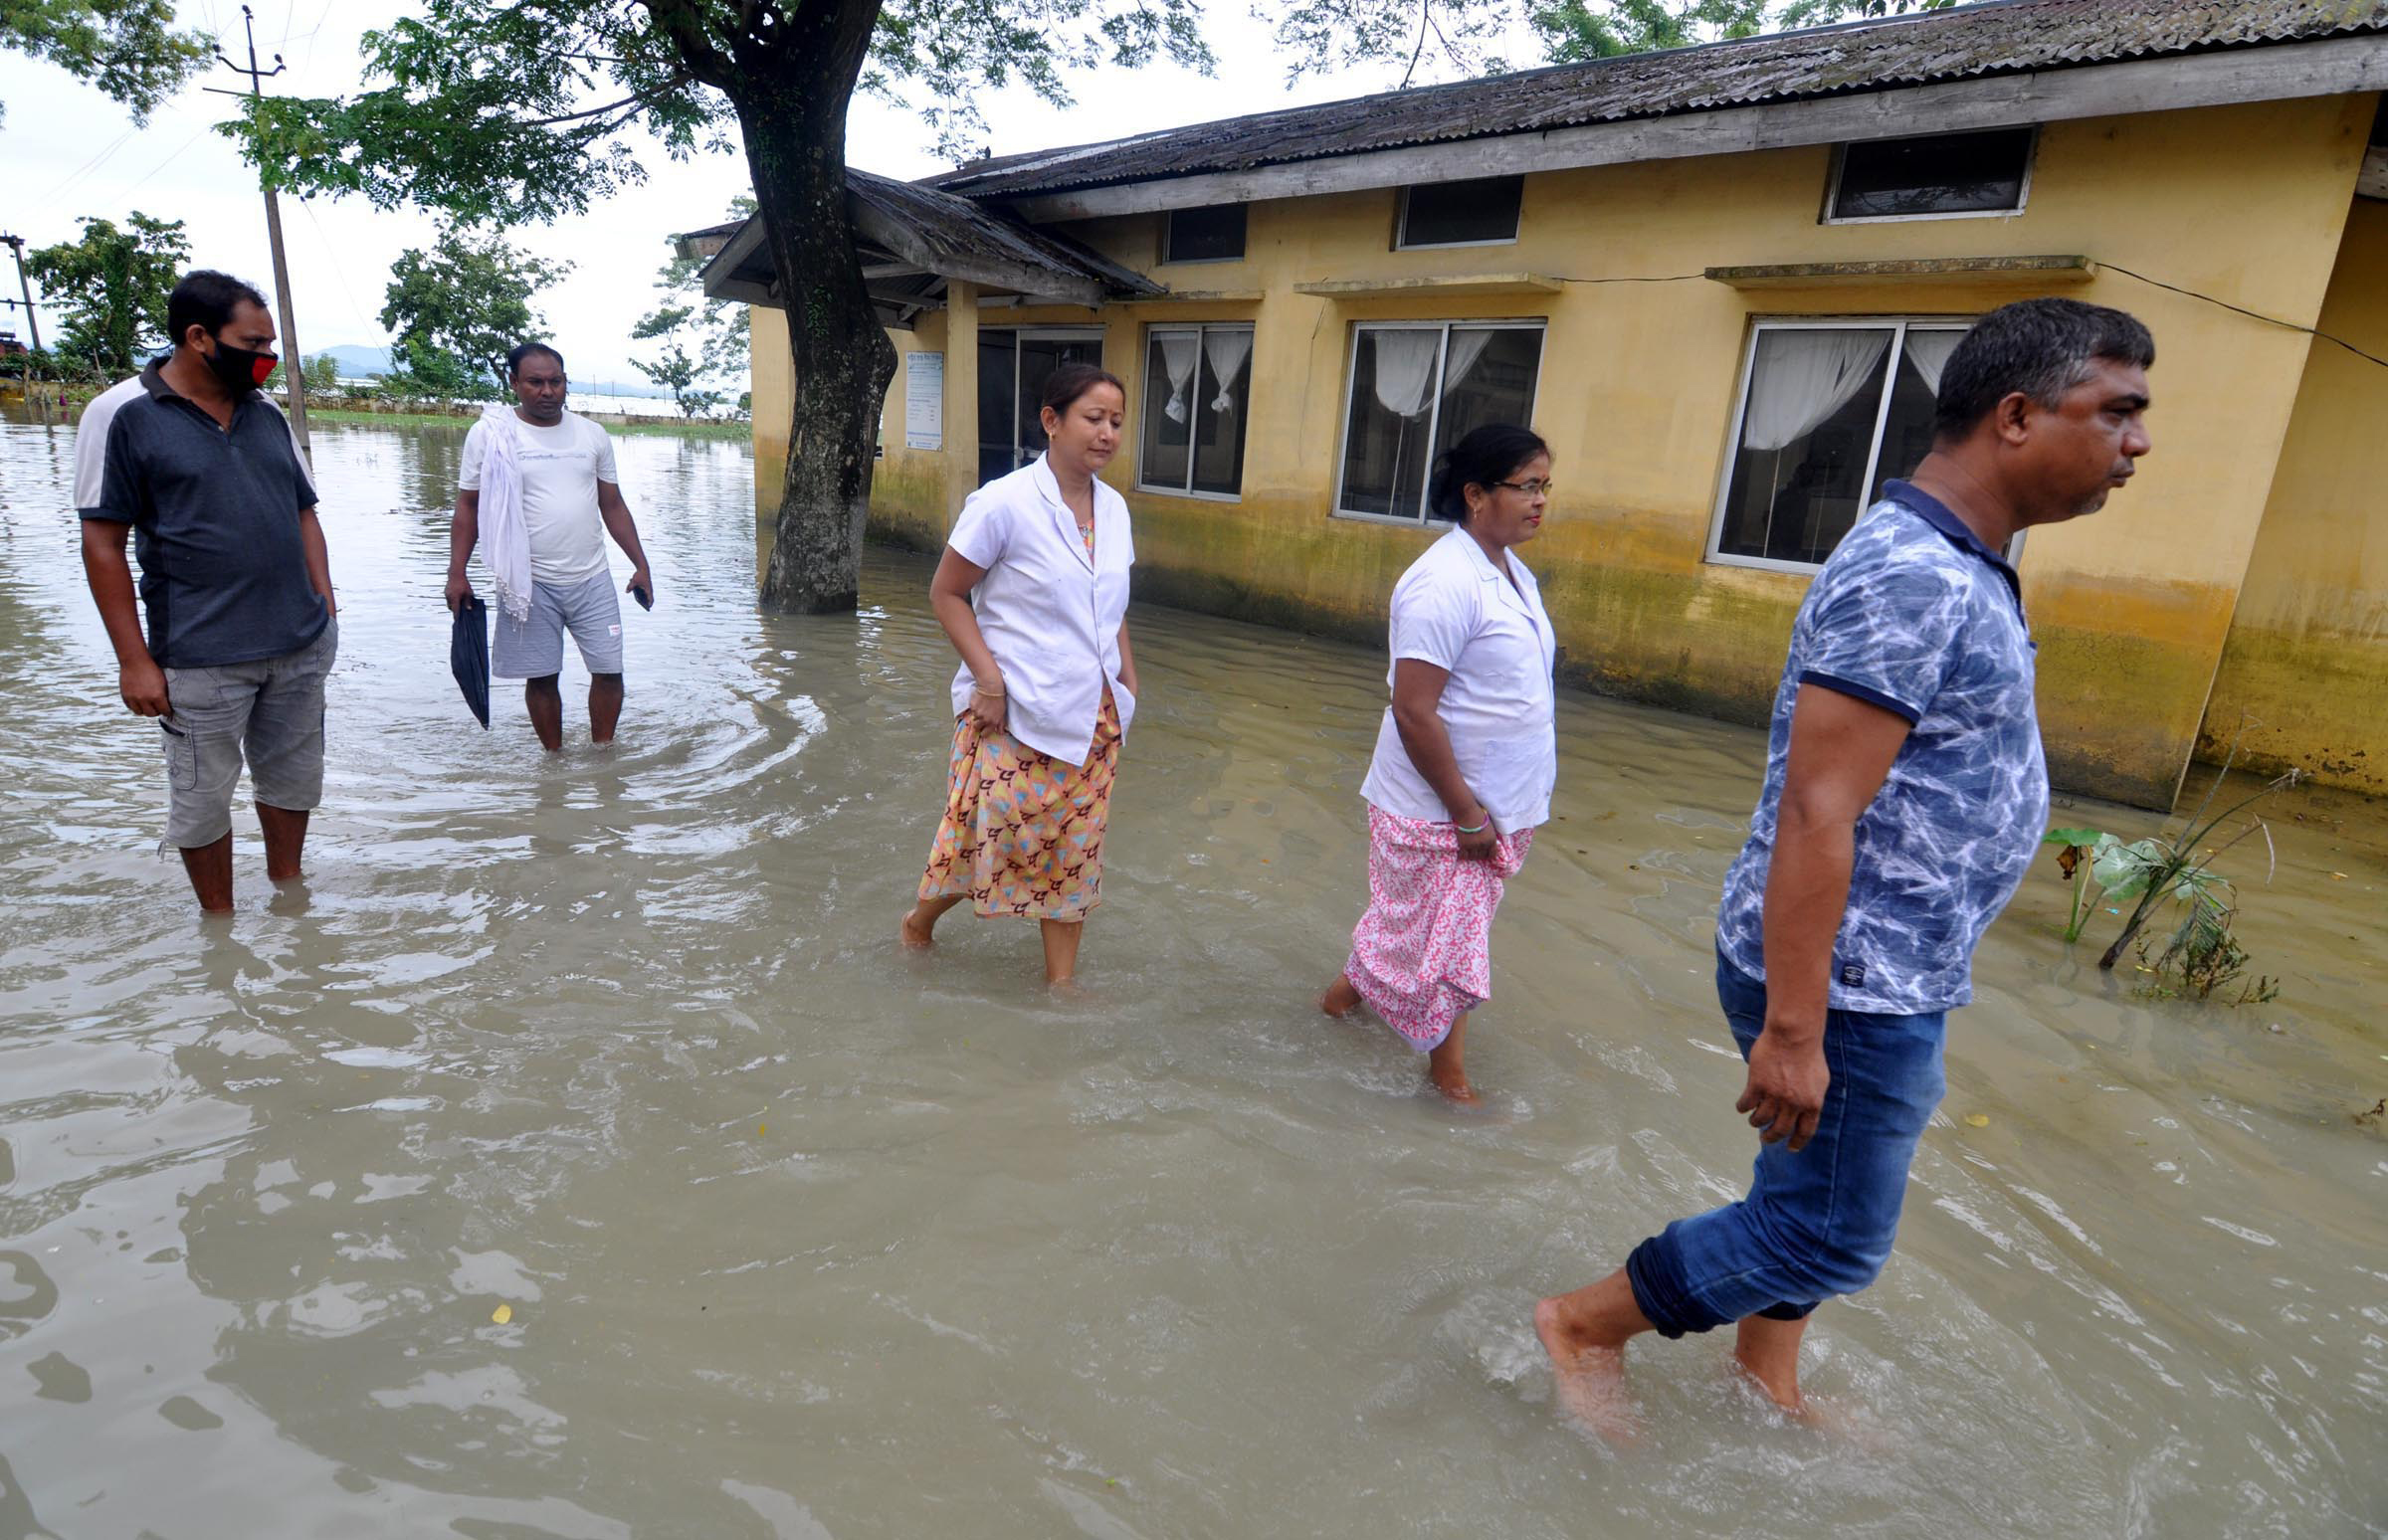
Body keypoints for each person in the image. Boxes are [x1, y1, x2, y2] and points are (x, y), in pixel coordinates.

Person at [1535, 297, 2154, 1436]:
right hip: (1851, 984)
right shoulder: (1913, 573)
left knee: (1801, 1195)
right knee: (1826, 1231)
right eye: (2118, 411)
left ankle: (1764, 1376)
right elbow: (1821, 812)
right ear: (2017, 416)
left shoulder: (1965, 560)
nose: (2139, 444)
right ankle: (1582, 1327)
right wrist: (1794, 1030)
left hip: (1887, 970)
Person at [75, 269, 337, 913]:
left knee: (294, 782)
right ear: (198, 337)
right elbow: (102, 543)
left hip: (297, 643)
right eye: (252, 345)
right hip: (199, 654)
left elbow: (304, 511)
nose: (266, 360)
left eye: (269, 344)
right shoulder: (120, 415)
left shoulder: (265, 413)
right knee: (200, 798)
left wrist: (325, 605)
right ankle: (218, 931)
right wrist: (134, 662)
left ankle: (288, 894)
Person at [1320, 424, 1557, 1103]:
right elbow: (1413, 709)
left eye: (1546, 486)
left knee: (1417, 935)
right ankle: (1448, 1078)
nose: (1540, 500)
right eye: (1527, 486)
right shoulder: (1441, 583)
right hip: (1444, 809)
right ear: (1477, 494)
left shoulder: (1514, 575)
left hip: (1493, 803)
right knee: (1447, 945)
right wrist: (1465, 812)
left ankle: (1340, 1002)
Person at [899, 363, 1139, 985]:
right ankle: (918, 923)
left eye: (1117, 421)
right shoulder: (1002, 503)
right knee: (986, 840)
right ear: (1052, 422)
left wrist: (1128, 683)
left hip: (1095, 717)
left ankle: (1060, 986)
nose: (1108, 433)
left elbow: (1111, 605)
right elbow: (947, 593)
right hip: (1013, 711)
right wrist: (989, 682)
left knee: (1076, 854)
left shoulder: (1114, 510)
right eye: (1093, 418)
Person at [446, 342, 654, 751]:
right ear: (514, 383)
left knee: (610, 671)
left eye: (555, 382)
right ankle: (553, 763)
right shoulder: (491, 436)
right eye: (535, 382)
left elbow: (612, 504)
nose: (547, 391)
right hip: (527, 581)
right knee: (541, 677)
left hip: (592, 577)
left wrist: (641, 564)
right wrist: (457, 572)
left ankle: (603, 756)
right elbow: (468, 506)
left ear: (565, 383)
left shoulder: (591, 434)